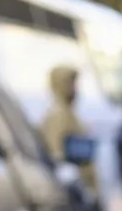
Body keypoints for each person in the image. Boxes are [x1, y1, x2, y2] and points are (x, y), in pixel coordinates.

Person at [40, 65, 97, 194]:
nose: (75, 89)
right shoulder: (58, 115)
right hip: (75, 191)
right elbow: (57, 156)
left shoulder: (69, 113)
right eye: (71, 84)